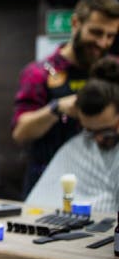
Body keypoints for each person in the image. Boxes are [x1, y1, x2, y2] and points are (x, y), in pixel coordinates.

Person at [12, 0, 119, 196]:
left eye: (111, 36)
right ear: (76, 23)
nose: (103, 42)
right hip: (50, 182)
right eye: (96, 32)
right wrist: (57, 107)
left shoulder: (114, 68)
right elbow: (20, 132)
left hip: (106, 183)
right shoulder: (40, 73)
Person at [26, 57, 119, 213]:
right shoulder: (76, 148)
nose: (97, 139)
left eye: (106, 131)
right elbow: (37, 208)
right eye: (89, 132)